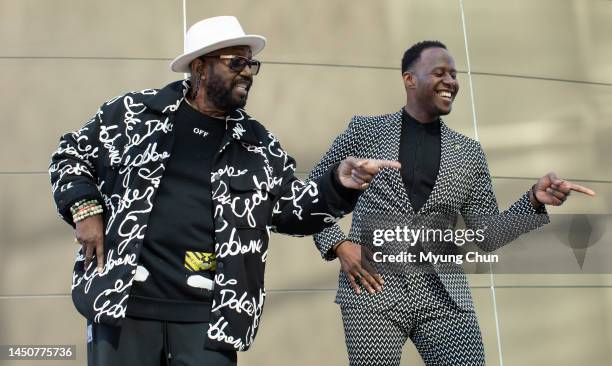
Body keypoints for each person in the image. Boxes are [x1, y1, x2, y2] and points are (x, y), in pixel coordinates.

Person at [49, 16, 399, 365]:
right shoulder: (134, 114)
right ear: (200, 67)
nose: (247, 72)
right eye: (237, 62)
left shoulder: (258, 143)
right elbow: (70, 155)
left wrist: (339, 183)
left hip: (210, 319)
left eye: (251, 64)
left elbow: (293, 211)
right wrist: (85, 209)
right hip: (124, 305)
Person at [307, 40, 596, 366]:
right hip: (372, 288)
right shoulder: (365, 131)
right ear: (409, 79)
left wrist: (532, 201)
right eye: (440, 72)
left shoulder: (469, 153)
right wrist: (339, 245)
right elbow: (310, 193)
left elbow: (487, 235)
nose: (451, 81)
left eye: (454, 75)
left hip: (442, 292)